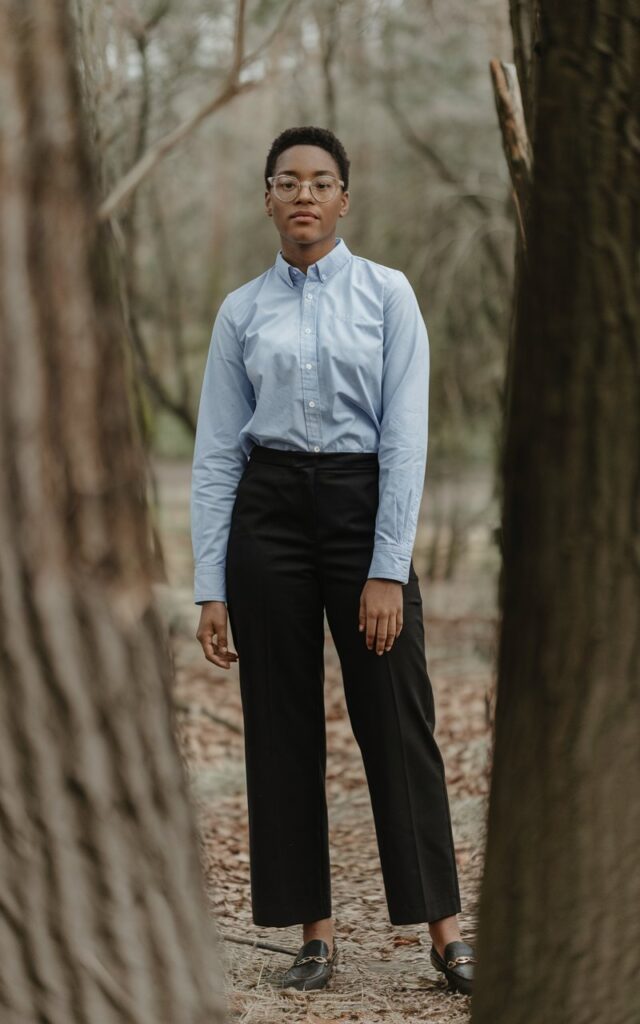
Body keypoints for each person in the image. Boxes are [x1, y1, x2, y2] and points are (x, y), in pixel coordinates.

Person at [191, 125, 476, 996]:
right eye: (288, 181)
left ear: (344, 198)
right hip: (269, 514)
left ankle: (446, 933)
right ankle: (313, 935)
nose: (304, 194)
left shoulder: (388, 294)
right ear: (268, 199)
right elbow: (217, 452)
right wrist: (210, 584)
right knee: (280, 725)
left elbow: (407, 438)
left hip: (361, 508)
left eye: (320, 181)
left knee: (396, 717)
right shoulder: (241, 310)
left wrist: (388, 566)